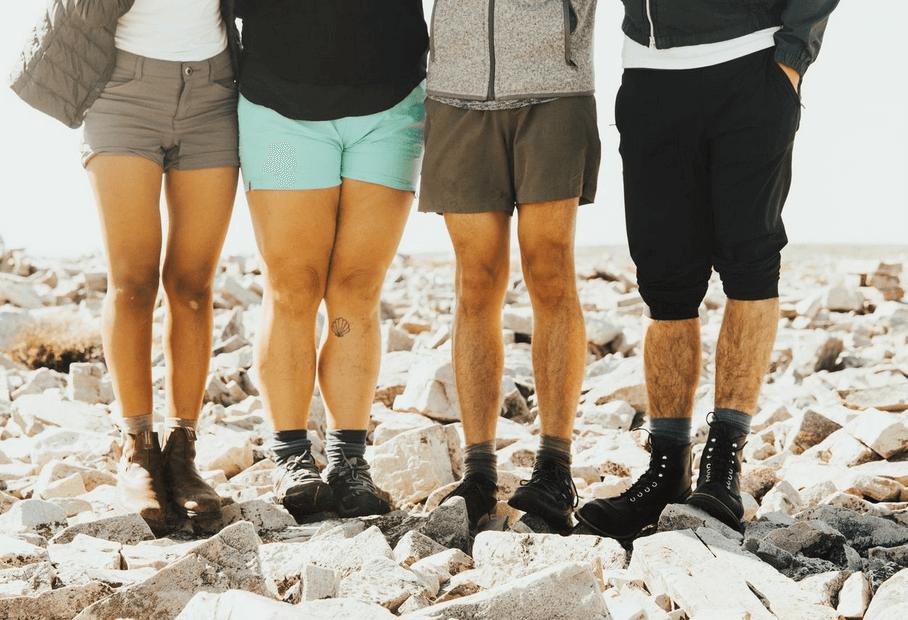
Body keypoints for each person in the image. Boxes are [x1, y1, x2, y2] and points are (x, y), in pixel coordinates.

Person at [575, 0, 840, 541]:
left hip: (751, 63)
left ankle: (722, 467)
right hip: (649, 74)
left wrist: (791, 60)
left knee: (750, 266)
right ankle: (666, 470)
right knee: (665, 284)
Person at [10, 0, 242, 533]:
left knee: (191, 286)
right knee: (133, 281)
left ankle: (182, 452)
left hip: (215, 88)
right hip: (122, 86)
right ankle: (137, 448)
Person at [234, 1, 428, 519]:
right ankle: (291, 455)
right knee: (293, 284)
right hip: (279, 108)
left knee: (359, 288)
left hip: (391, 107)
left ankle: (349, 460)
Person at [420, 0, 601, 532]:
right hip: (456, 90)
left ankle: (555, 466)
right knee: (475, 280)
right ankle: (478, 472)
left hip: (555, 86)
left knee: (550, 269)